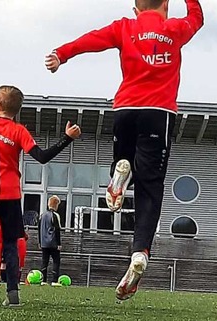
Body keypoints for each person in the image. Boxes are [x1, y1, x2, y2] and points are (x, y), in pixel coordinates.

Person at [45, 0, 203, 300]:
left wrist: (61, 54)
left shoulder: (124, 27)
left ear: (135, 9)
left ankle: (120, 169)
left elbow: (91, 39)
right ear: (166, 5)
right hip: (158, 111)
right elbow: (197, 18)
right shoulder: (176, 28)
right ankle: (140, 251)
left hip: (126, 108)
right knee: (150, 188)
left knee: (124, 161)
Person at [0, 85, 80, 305]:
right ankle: (12, 293)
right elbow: (42, 157)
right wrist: (67, 138)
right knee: (10, 244)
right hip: (12, 194)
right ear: (17, 110)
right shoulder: (19, 131)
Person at [38, 195, 63, 286]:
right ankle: (54, 280)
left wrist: (40, 242)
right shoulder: (55, 215)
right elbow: (57, 229)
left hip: (44, 243)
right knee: (56, 261)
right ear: (56, 205)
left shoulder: (42, 215)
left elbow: (39, 229)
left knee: (44, 261)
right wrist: (59, 243)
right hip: (53, 243)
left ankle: (43, 280)